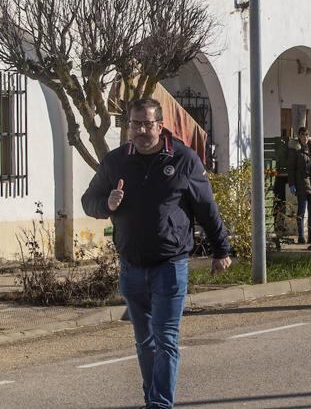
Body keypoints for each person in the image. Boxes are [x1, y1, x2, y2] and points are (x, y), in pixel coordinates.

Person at [82, 98, 232, 409]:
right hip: (132, 267)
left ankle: (160, 404)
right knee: (145, 342)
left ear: (160, 125)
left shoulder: (183, 159)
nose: (139, 130)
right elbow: (89, 201)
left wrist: (221, 249)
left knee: (165, 340)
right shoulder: (115, 162)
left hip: (170, 266)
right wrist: (106, 205)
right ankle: (153, 399)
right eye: (134, 124)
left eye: (146, 123)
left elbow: (207, 208)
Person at [287, 127, 311, 244]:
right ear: (299, 136)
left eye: (307, 135)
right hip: (301, 185)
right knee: (302, 211)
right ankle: (301, 237)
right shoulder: (295, 150)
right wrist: (292, 184)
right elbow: (291, 168)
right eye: (303, 135)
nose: (305, 137)